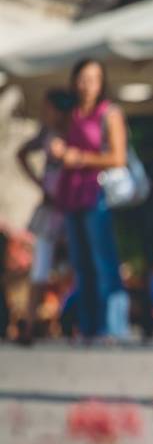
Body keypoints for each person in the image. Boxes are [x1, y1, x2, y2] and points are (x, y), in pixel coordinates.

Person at [52, 59, 130, 342]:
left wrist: (80, 158)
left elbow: (118, 158)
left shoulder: (108, 113)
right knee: (80, 263)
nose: (87, 85)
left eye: (93, 79)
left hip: (97, 192)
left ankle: (115, 327)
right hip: (72, 193)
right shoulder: (71, 114)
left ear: (102, 82)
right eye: (83, 79)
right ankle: (89, 327)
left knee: (103, 260)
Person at [16, 88, 73, 345]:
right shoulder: (46, 134)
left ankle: (72, 320)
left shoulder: (72, 134)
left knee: (75, 266)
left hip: (73, 205)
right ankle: (29, 322)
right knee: (41, 265)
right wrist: (40, 184)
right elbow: (22, 153)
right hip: (52, 208)